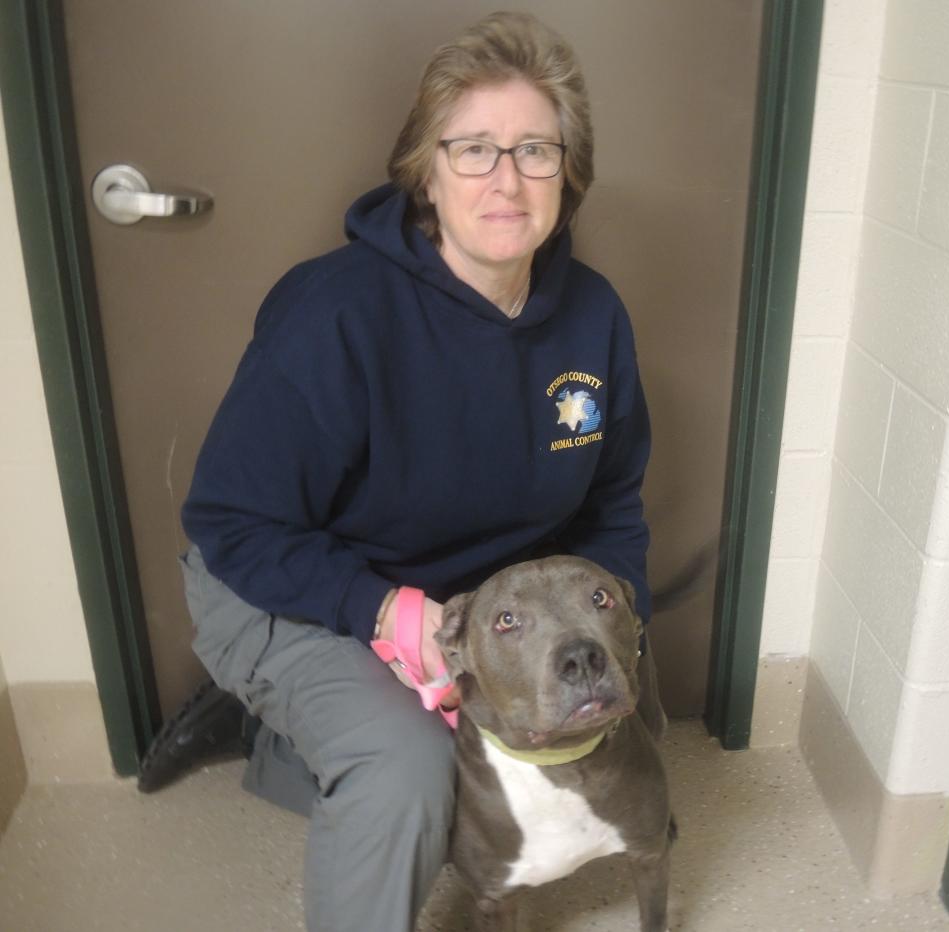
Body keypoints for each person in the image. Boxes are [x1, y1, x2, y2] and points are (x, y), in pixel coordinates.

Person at [136, 11, 653, 931]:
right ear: (424, 169)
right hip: (283, 582)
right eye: (474, 150)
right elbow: (235, 524)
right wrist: (385, 615)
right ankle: (302, 725)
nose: (506, 178)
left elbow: (611, 502)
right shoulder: (332, 315)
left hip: (455, 601)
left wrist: (621, 623)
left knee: (559, 730)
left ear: (568, 174)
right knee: (409, 769)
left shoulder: (594, 317)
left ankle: (284, 750)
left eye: (536, 149)